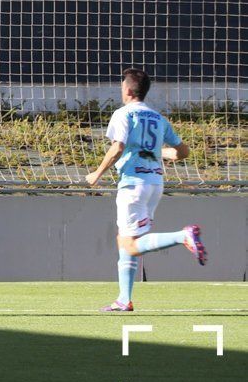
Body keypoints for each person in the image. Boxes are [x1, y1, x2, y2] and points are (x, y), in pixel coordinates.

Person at [86, 68, 206, 312]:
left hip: (133, 184)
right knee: (125, 239)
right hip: (154, 183)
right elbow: (183, 152)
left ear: (128, 90)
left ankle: (182, 236)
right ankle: (123, 299)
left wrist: (96, 173)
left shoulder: (123, 114)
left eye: (122, 85)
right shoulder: (158, 117)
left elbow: (117, 146)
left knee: (130, 244)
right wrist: (162, 152)